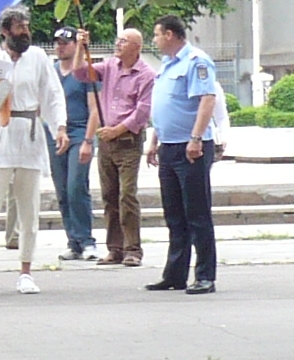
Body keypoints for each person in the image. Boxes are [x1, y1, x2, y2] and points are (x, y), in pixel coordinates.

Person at [0, 7, 67, 296]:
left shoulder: (37, 58)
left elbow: (52, 93)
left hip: (29, 135)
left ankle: (25, 272)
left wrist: (59, 126)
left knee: (28, 208)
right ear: (5, 31)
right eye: (20, 27)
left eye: (27, 26)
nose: (26, 32)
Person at [146, 15, 221, 295]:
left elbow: (207, 99)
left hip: (191, 146)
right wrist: (154, 140)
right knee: (174, 214)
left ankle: (205, 275)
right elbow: (164, 107)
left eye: (156, 35)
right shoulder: (167, 65)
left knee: (197, 213)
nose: (154, 40)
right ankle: (175, 273)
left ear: (169, 34)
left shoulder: (196, 61)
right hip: (168, 145)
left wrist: (196, 137)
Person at [93, 26, 155, 267]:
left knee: (126, 195)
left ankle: (133, 249)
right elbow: (80, 73)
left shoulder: (146, 74)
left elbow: (142, 112)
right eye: (118, 40)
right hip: (106, 142)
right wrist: (81, 48)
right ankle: (114, 248)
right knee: (108, 195)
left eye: (124, 41)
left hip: (128, 141)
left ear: (136, 47)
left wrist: (116, 130)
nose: (118, 44)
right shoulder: (109, 66)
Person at [50, 27, 99, 261]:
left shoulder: (85, 73)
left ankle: (87, 240)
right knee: (62, 191)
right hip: (55, 134)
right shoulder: (51, 72)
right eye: (58, 42)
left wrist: (89, 140)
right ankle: (73, 241)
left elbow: (94, 110)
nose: (61, 46)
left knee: (76, 186)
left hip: (79, 132)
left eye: (66, 43)